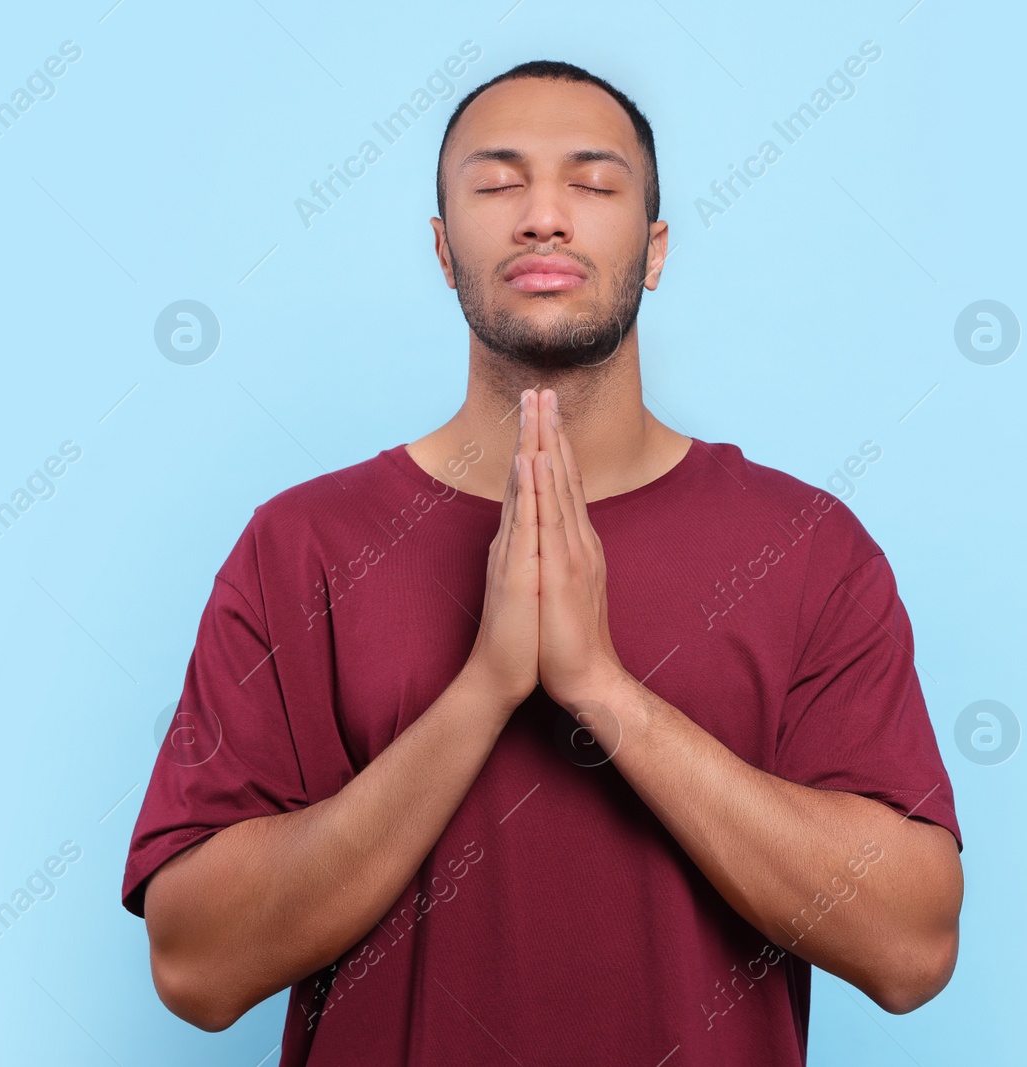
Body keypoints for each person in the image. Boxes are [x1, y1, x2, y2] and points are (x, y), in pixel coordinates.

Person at [123, 59, 963, 1066]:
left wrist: (601, 688)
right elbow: (196, 968)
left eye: (594, 184)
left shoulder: (808, 545)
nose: (544, 217)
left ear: (653, 250)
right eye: (496, 183)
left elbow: (910, 948)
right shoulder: (299, 544)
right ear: (442, 249)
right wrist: (483, 688)